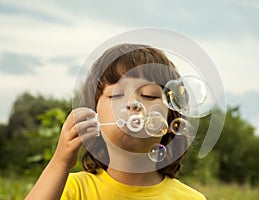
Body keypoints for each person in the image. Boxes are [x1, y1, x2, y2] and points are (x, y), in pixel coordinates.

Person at [25, 43, 207, 200]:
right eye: (116, 95)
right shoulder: (71, 189)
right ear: (93, 116)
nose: (132, 104)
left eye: (149, 95)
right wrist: (60, 162)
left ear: (170, 123)